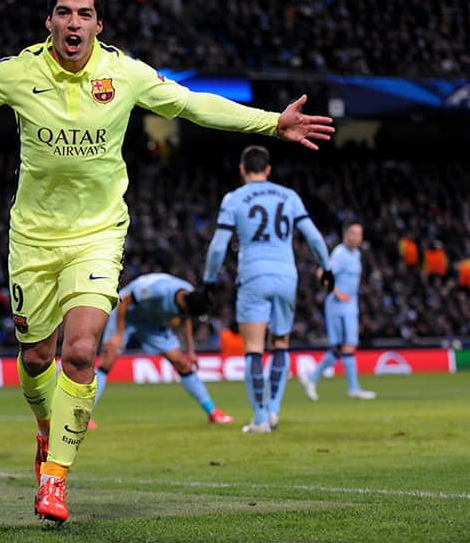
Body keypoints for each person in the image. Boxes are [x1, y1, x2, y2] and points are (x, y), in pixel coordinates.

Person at [0, 0, 334, 523]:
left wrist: (272, 122)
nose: (73, 22)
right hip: (32, 240)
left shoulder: (124, 73)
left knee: (80, 353)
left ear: (98, 25)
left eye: (84, 14)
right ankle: (44, 430)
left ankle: (55, 478)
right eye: (64, 12)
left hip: (99, 237)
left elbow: (193, 104)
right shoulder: (18, 72)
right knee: (36, 358)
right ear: (50, 22)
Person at [203, 145, 334, 434]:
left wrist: (209, 280)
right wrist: (326, 267)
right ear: (269, 169)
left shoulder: (234, 198)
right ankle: (274, 409)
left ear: (242, 169)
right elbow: (313, 237)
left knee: (253, 349)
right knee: (281, 344)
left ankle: (260, 418)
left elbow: (218, 246)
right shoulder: (289, 196)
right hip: (287, 276)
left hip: (254, 275)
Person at [91, 272, 234, 429]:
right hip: (126, 314)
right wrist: (118, 335)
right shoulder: (158, 290)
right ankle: (86, 415)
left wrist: (191, 351)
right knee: (107, 361)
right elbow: (125, 302)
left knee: (181, 363)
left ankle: (212, 412)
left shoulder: (190, 295)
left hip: (151, 322)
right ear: (185, 306)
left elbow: (185, 319)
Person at [300, 221, 376, 401]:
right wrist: (337, 292)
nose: (357, 238)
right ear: (346, 235)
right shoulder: (340, 254)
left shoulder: (356, 254)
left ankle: (313, 379)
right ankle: (352, 388)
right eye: (354, 234)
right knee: (344, 346)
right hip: (337, 306)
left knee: (343, 348)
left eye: (360, 234)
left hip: (351, 305)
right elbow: (322, 274)